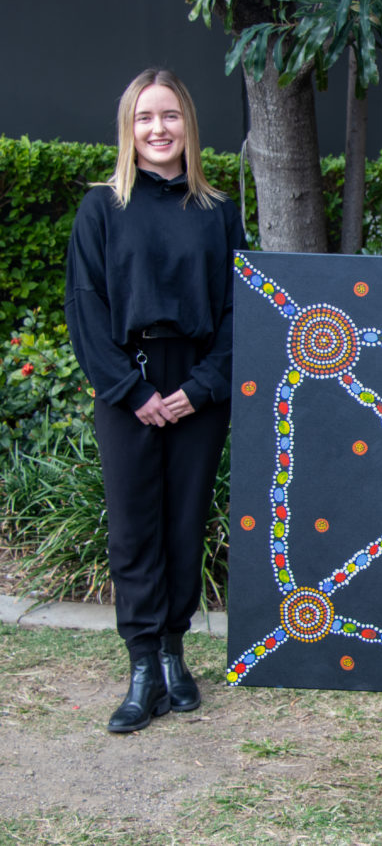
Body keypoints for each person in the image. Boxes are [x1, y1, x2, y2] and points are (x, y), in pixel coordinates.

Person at [65, 69, 245, 734]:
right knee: (135, 528)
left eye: (170, 116)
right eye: (145, 118)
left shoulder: (217, 210)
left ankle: (175, 655)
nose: (159, 129)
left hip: (197, 382)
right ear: (128, 128)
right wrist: (132, 391)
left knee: (183, 523)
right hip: (129, 382)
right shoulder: (102, 208)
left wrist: (198, 390)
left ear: (188, 125)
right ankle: (142, 665)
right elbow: (85, 306)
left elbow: (236, 311)